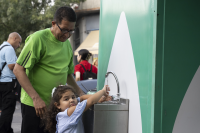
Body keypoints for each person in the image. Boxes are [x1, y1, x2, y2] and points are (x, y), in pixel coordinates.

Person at [13, 6, 84, 133]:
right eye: (64, 30)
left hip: (55, 106)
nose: (67, 35)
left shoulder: (67, 44)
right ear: (54, 24)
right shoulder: (38, 39)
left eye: (71, 31)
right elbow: (18, 70)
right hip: (35, 105)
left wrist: (80, 93)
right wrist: (36, 98)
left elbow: (67, 74)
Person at [43, 84, 110, 133]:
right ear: (57, 105)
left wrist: (99, 99)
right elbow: (91, 101)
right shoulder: (70, 112)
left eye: (73, 97)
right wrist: (103, 91)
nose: (71, 100)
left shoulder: (63, 113)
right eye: (66, 99)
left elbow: (82, 98)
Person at [0, 32, 22, 133]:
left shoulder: (2, 47)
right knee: (8, 109)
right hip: (8, 83)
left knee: (5, 108)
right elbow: (11, 66)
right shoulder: (9, 48)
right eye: (19, 42)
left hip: (2, 82)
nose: (19, 45)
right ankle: (5, 130)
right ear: (14, 38)